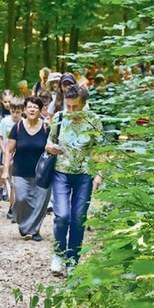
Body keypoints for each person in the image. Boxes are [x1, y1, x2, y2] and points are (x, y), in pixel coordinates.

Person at [45, 84, 104, 276]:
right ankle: (59, 253)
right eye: (68, 106)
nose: (71, 111)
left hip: (85, 174)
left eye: (75, 107)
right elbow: (48, 142)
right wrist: (50, 148)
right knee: (62, 216)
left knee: (78, 219)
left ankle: (72, 260)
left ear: (84, 104)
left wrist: (100, 174)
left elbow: (101, 150)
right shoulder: (60, 117)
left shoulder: (94, 121)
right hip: (60, 172)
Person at [2, 96, 51, 241]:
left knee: (40, 203)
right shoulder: (17, 128)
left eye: (36, 107)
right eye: (29, 107)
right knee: (22, 199)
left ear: (40, 111)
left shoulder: (46, 128)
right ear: (24, 109)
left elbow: (52, 148)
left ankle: (34, 230)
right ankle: (24, 225)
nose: (32, 109)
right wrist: (5, 170)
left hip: (42, 173)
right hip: (21, 171)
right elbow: (9, 150)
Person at [0, 96, 24, 219]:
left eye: (18, 112)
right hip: (8, 156)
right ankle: (12, 207)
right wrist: (4, 151)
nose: (15, 114)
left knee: (17, 183)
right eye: (13, 111)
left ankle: (17, 207)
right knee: (11, 183)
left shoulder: (24, 122)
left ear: (22, 110)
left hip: (21, 156)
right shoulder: (5, 122)